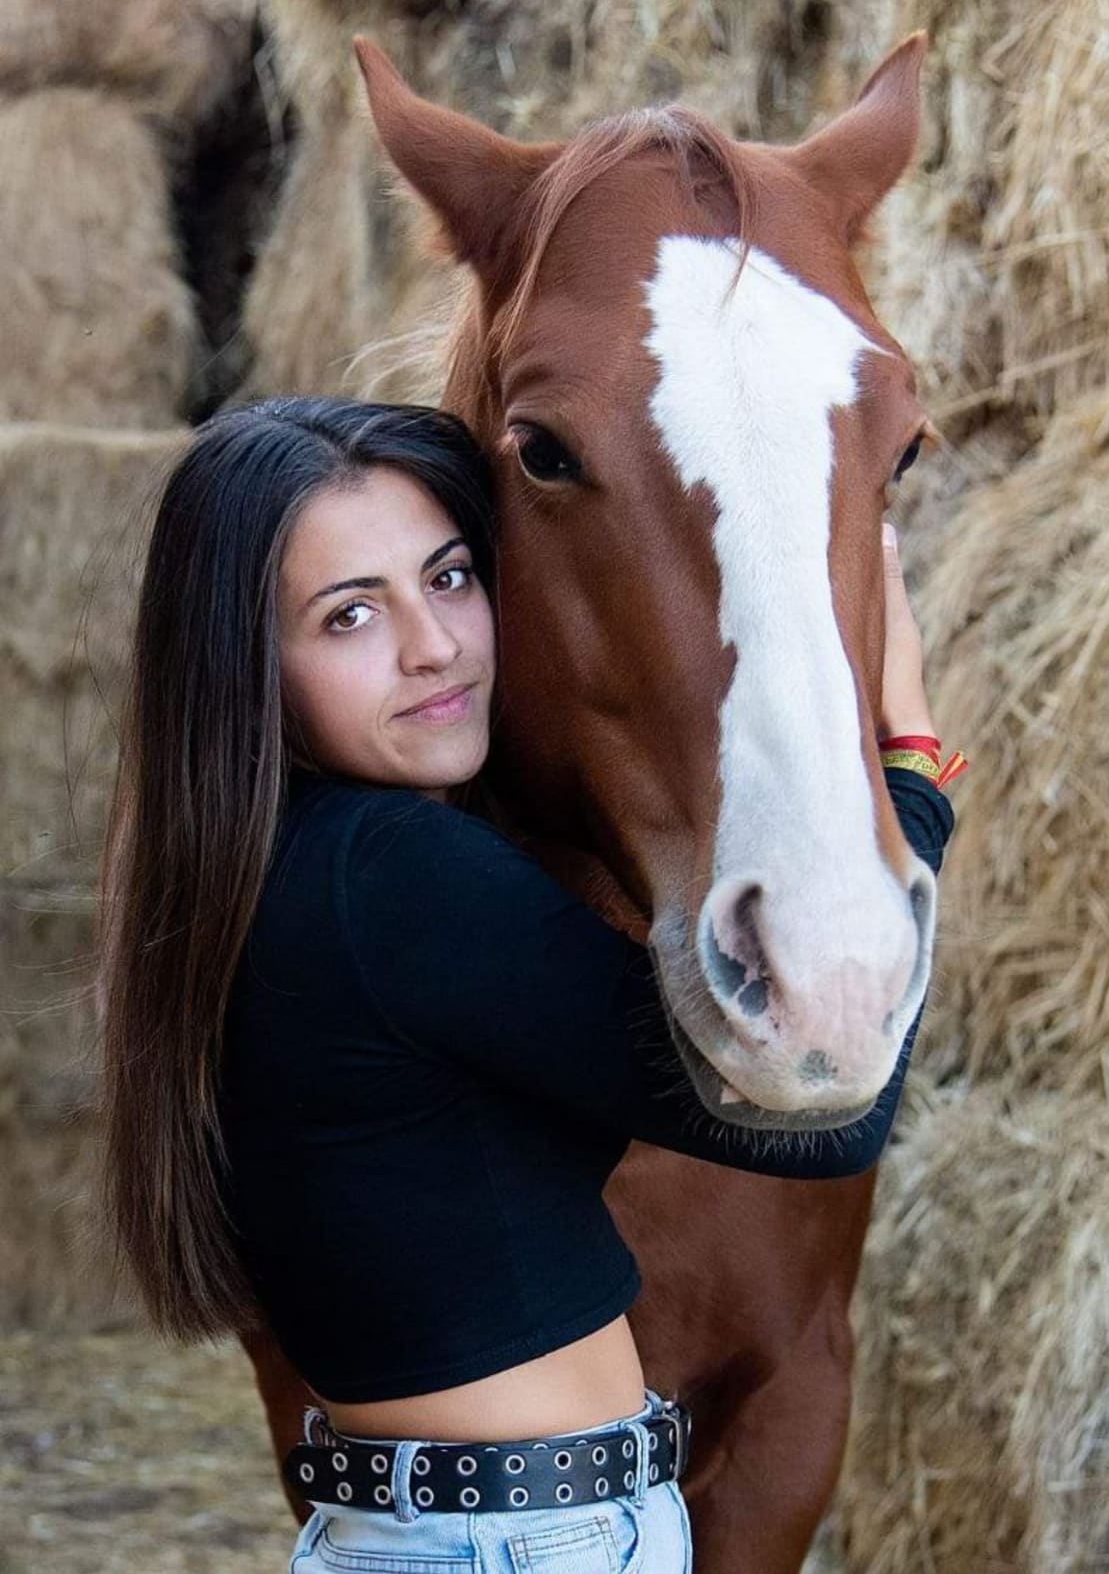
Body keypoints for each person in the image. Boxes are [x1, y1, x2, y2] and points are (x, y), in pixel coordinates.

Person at [99, 396, 962, 1574]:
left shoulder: (270, 872)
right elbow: (824, 1119)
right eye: (351, 613)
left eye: (449, 577)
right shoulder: (391, 874)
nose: (433, 644)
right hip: (519, 1540)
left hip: (458, 1532)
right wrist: (911, 776)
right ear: (248, 663)